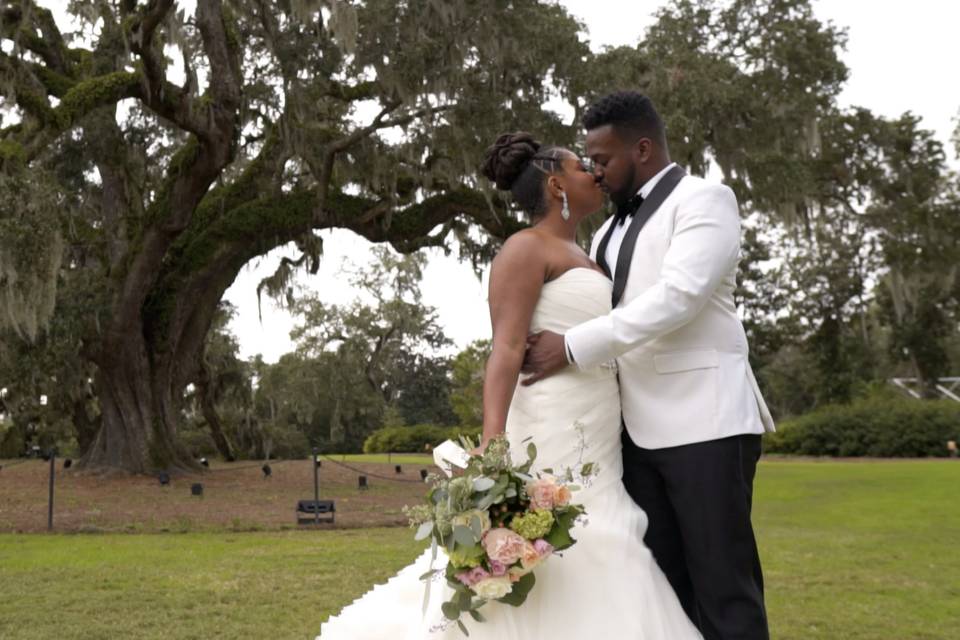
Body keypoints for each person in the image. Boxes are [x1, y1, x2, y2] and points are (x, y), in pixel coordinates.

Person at [317, 131, 701, 639]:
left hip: (600, 434)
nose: (595, 174)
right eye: (582, 167)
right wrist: (492, 445)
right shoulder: (525, 248)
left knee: (606, 536)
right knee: (561, 538)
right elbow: (504, 348)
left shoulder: (590, 251)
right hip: (549, 424)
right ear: (556, 184)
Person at [522, 91, 776, 640]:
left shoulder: (706, 199)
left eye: (603, 159)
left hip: (704, 425)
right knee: (665, 592)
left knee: (724, 588)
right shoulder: (608, 233)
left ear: (641, 148)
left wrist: (569, 346)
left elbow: (679, 298)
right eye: (588, 161)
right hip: (634, 439)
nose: (596, 171)